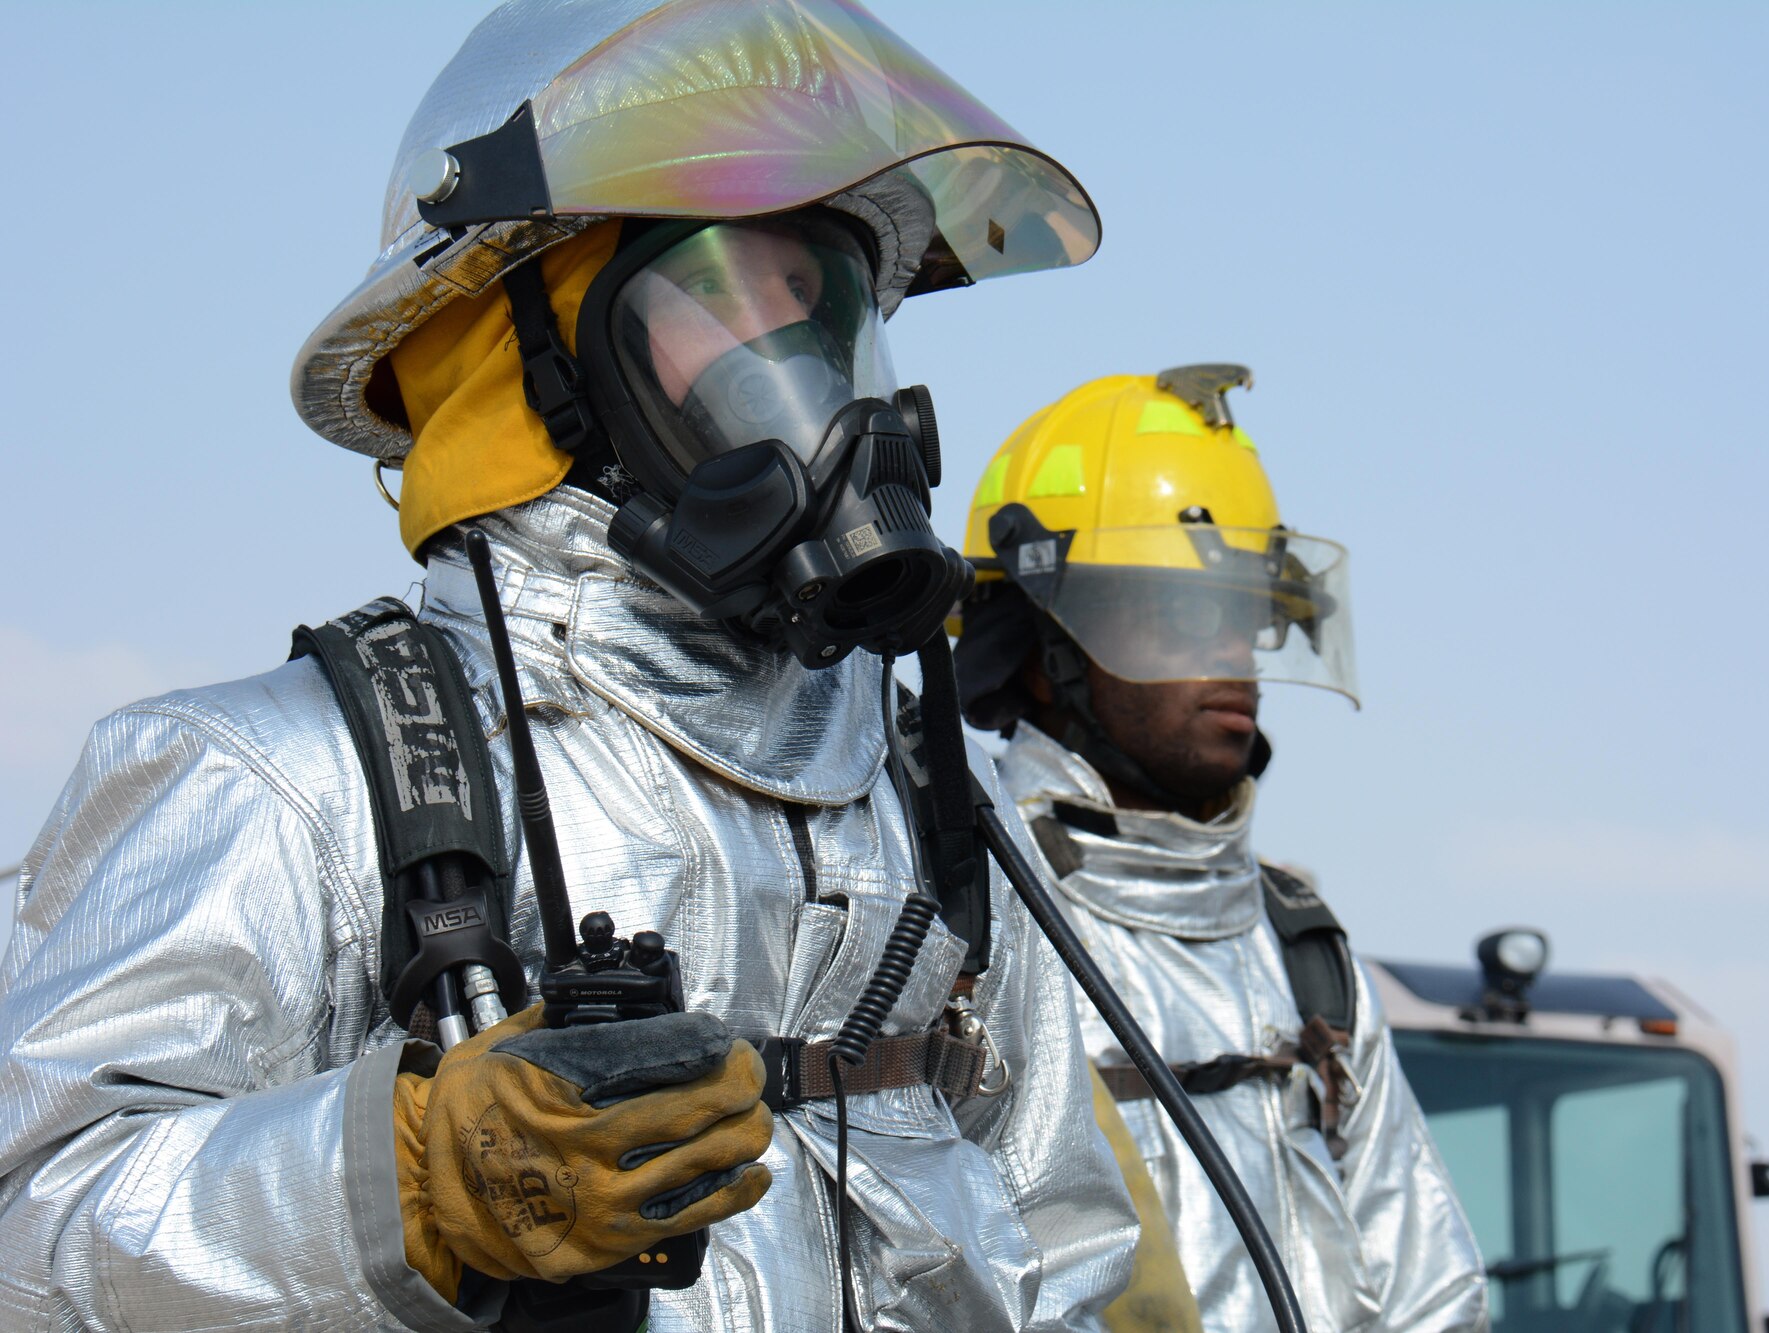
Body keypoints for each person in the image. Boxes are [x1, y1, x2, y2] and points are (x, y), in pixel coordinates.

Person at [0, 3, 1138, 1329]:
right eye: (718, 296)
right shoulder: (286, 779)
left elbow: (1061, 1240)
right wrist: (405, 1179)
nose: (809, 380)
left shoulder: (926, 800)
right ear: (532, 361)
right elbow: (38, 1230)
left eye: (820, 311)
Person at [954, 366, 1492, 1331]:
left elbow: (1430, 1286)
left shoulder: (1303, 951)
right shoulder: (973, 923)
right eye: (1177, 615)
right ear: (1044, 655)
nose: (1232, 658)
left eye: (1245, 616)